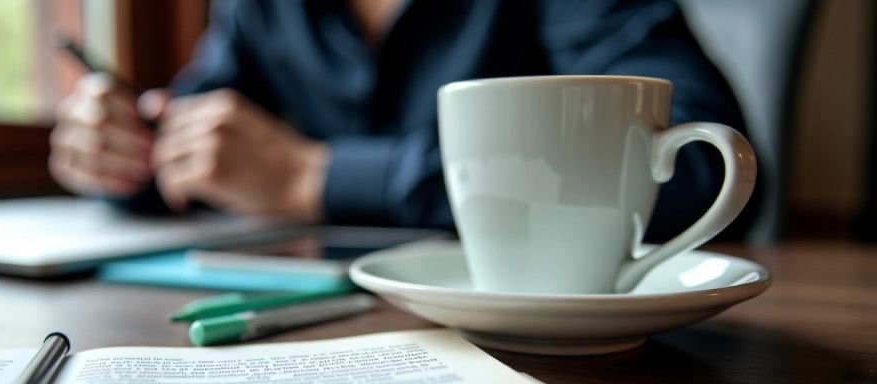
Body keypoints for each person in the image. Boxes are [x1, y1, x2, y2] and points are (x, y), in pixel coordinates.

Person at [49, 0, 753, 241]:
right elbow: (193, 139)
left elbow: (701, 164)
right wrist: (121, 153)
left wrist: (312, 176)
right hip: (322, 333)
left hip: (542, 341)